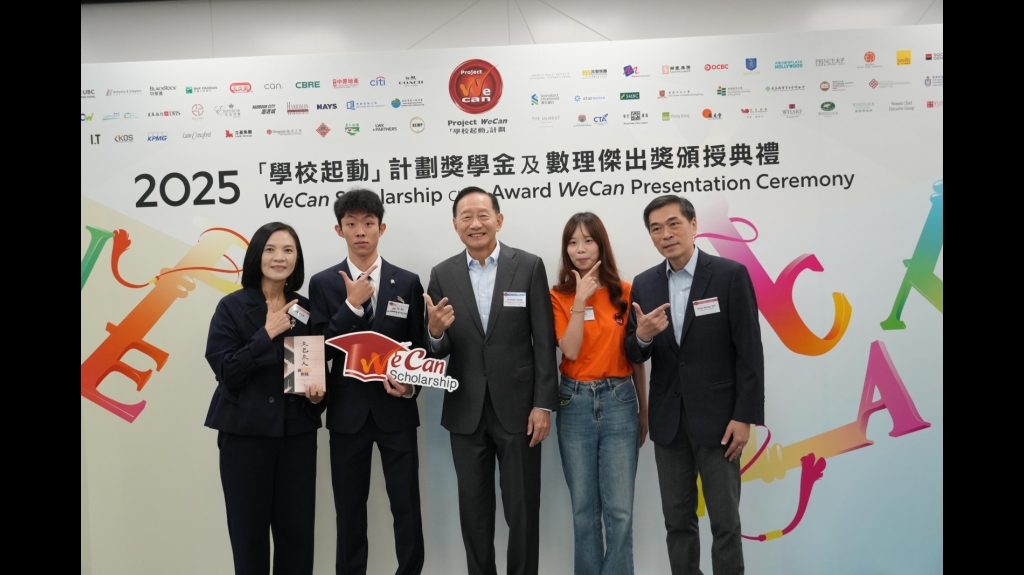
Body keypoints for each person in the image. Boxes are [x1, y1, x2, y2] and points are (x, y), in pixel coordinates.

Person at [625, 196, 764, 575]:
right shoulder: (644, 284)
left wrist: (744, 416)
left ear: (693, 224)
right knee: (678, 522)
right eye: (656, 229)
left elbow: (749, 352)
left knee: (725, 523)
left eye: (673, 224)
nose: (666, 234)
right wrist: (643, 335)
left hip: (721, 422)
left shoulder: (729, 275)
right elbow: (633, 352)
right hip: (668, 421)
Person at [424, 186, 558, 575]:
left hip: (519, 410)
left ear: (499, 220)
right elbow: (435, 350)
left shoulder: (528, 266)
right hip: (465, 410)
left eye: (483, 215)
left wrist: (543, 404)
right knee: (474, 512)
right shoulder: (442, 274)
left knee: (522, 509)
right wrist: (434, 331)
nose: (475, 223)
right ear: (455, 225)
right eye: (465, 217)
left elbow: (543, 341)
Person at [308, 190, 426, 575]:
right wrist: (351, 305)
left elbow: (419, 347)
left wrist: (410, 385)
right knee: (349, 512)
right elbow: (318, 347)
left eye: (368, 223)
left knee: (407, 508)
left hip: (397, 412)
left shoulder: (407, 281)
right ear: (339, 229)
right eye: (352, 224)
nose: (360, 231)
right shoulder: (323, 283)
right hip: (347, 414)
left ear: (381, 228)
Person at [205, 222, 326, 575]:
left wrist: (317, 397)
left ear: (297, 258)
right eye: (271, 249)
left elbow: (315, 371)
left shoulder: (306, 308)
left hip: (297, 437)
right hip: (244, 438)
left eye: (288, 250)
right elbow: (226, 371)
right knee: (249, 538)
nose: (279, 257)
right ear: (257, 255)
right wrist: (266, 333)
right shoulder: (231, 306)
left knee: (297, 537)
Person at [550, 212, 649, 575]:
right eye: (572, 242)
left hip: (619, 400)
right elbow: (570, 349)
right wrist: (580, 299)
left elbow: (636, 357)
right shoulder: (557, 296)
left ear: (601, 245)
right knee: (583, 511)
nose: (580, 249)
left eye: (588, 241)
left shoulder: (625, 291)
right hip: (573, 401)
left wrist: (643, 410)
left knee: (620, 512)